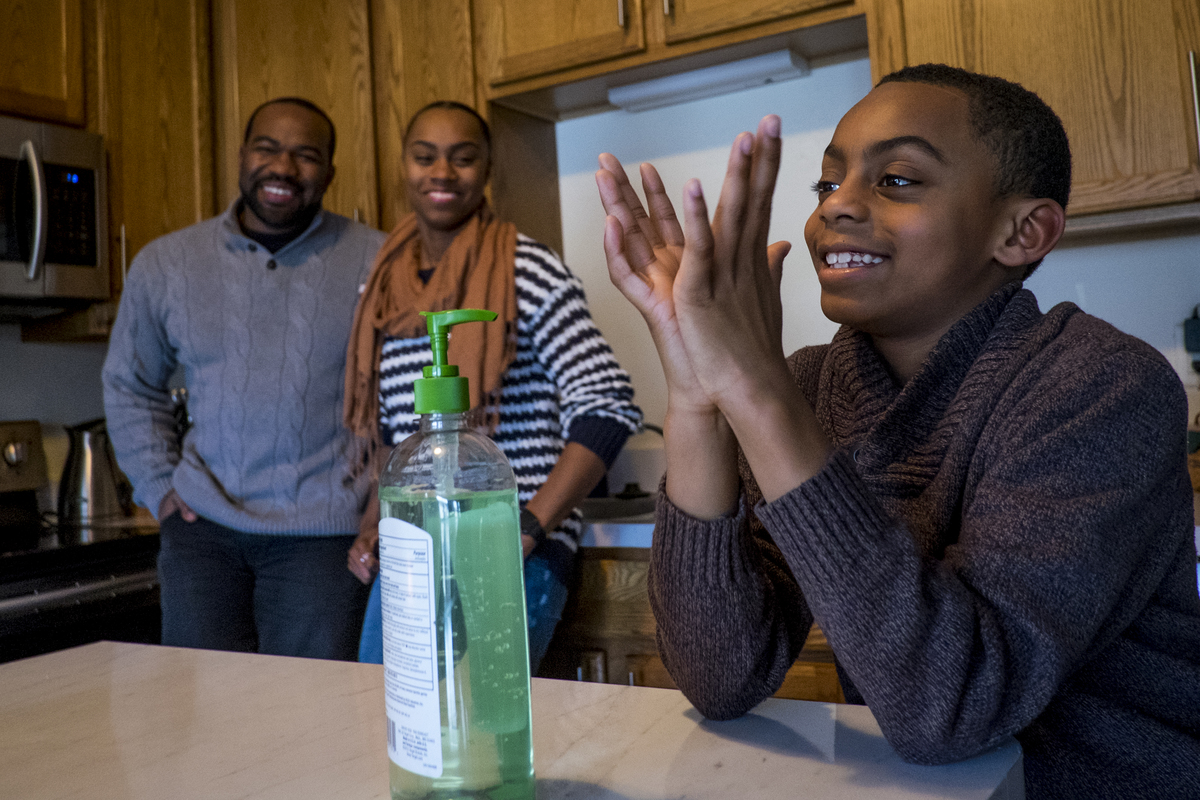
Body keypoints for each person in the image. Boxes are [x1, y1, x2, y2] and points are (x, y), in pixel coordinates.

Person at [595, 64, 1200, 799]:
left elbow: (951, 710)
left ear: (1022, 231)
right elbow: (721, 678)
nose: (836, 209)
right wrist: (696, 392)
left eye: (898, 180)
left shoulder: (1102, 386)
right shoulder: (814, 386)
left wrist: (755, 390)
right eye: (827, 184)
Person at [345, 101, 642, 671]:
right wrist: (372, 527)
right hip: (416, 549)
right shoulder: (383, 288)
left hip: (507, 551)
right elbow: (394, 437)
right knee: (391, 716)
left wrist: (526, 529)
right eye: (425, 156)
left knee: (477, 729)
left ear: (486, 171)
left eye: (463, 158)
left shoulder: (525, 270)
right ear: (403, 167)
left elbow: (607, 406)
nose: (442, 173)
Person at [103, 97, 386, 661]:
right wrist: (158, 487)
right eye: (267, 147)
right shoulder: (166, 263)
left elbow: (404, 400)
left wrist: (382, 506)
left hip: (323, 537)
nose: (283, 167)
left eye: (306, 155)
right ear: (241, 156)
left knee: (309, 718)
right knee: (204, 720)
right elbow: (131, 385)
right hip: (201, 531)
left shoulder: (379, 261)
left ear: (329, 173)